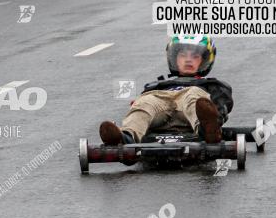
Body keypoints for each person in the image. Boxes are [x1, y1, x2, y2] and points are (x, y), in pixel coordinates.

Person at [98, 35, 233, 145]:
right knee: (145, 102)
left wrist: (216, 114)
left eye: (195, 56)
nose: (188, 60)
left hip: (188, 111)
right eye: (183, 55)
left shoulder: (212, 85)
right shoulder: (157, 85)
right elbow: (141, 103)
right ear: (174, 57)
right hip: (160, 110)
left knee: (194, 95)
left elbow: (222, 104)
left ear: (204, 60)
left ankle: (207, 131)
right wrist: (138, 102)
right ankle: (125, 138)